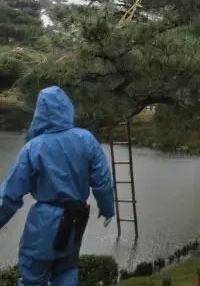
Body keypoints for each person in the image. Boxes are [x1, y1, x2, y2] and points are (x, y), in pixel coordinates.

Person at [0, 86, 115, 286]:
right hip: (76, 221)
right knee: (66, 272)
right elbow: (102, 181)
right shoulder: (86, 139)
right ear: (67, 108)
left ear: (39, 113)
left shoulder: (33, 147)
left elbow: (10, 194)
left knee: (33, 279)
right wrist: (107, 209)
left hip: (43, 226)